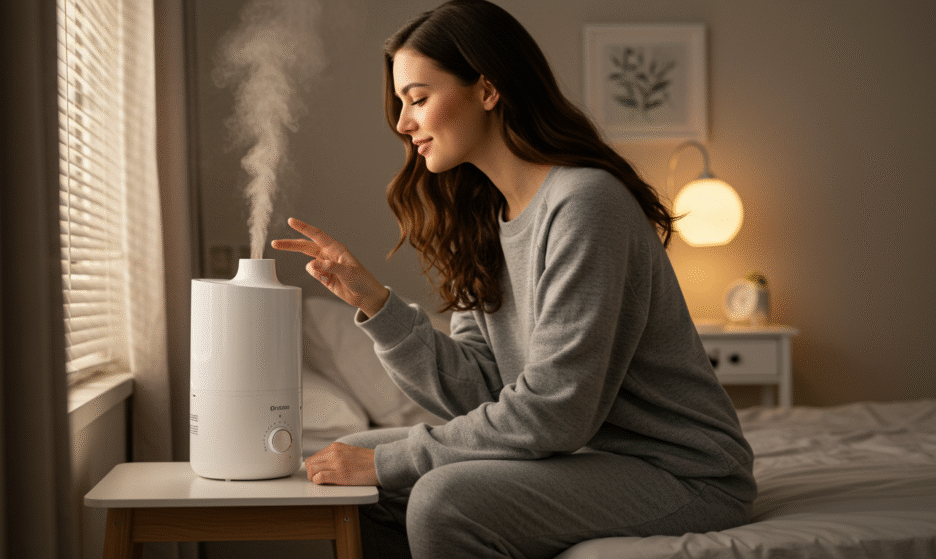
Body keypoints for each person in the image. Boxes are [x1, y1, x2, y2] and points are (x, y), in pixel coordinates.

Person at [271, 1, 756, 557]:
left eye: (418, 99)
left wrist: (392, 461)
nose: (402, 124)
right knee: (351, 465)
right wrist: (377, 306)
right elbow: (480, 394)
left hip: (680, 472)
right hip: (579, 457)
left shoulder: (584, 203)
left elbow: (556, 411)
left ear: (487, 89)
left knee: (438, 499)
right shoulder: (486, 218)